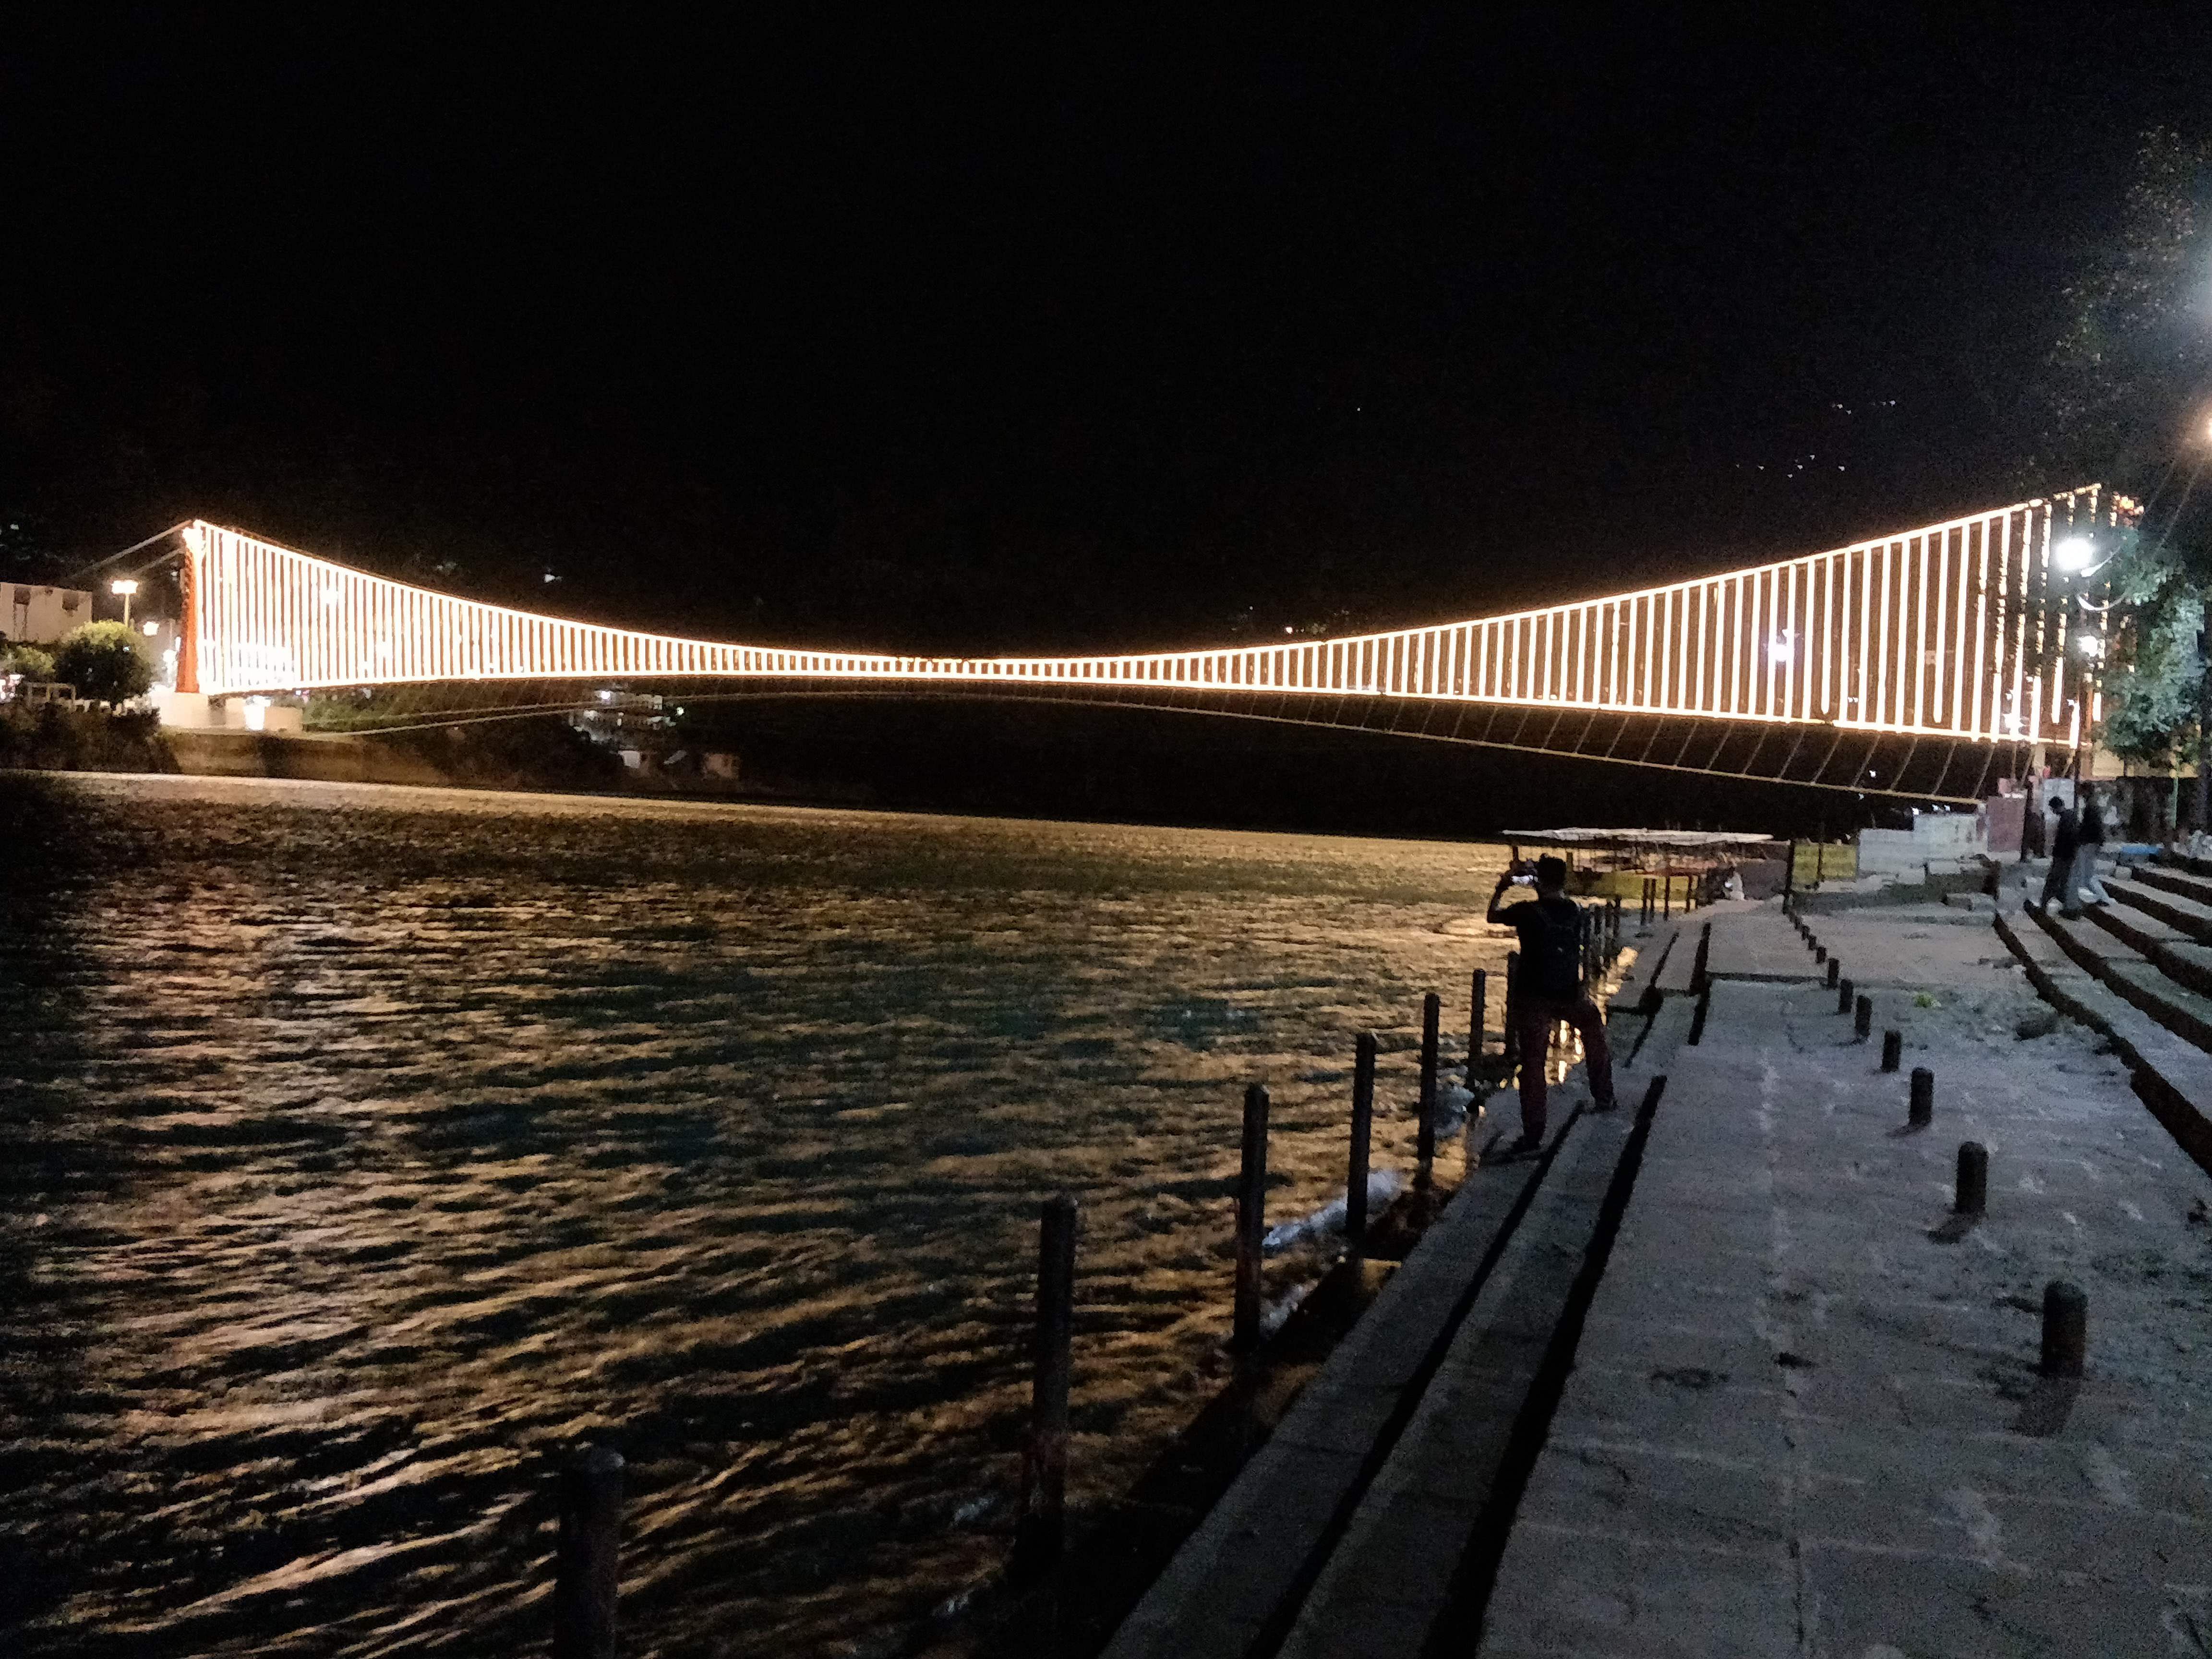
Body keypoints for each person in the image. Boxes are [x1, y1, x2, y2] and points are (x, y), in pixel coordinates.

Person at [1487, 854, 1616, 1159]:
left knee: (1533, 1066)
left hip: (1533, 998)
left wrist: (1503, 885)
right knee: (1595, 1036)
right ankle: (1604, 1096)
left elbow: (1492, 916)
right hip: (1570, 995)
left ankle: (1533, 1137)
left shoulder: (1527, 912)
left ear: (1537, 882)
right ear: (1565, 881)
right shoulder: (1576, 911)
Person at [2037, 796, 2079, 915]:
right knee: (2063, 881)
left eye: (2052, 809)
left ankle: (2045, 905)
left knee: (2054, 880)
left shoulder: (2066, 819)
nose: (2052, 811)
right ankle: (2067, 906)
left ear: (2055, 808)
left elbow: (2065, 839)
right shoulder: (2071, 816)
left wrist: (2056, 852)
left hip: (2063, 855)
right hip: (2068, 855)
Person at [2076, 785, 2112, 906]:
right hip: (2092, 843)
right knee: (2088, 875)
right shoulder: (2092, 806)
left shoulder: (2091, 808)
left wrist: (2082, 838)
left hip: (2089, 843)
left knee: (2088, 875)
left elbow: (2091, 827)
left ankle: (2104, 899)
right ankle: (2100, 899)